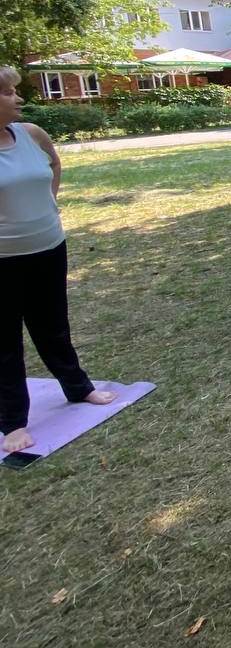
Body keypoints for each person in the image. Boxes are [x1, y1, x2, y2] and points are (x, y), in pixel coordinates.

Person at [0, 66, 117, 454]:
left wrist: (51, 200)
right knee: (6, 340)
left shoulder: (31, 134)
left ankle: (78, 388)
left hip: (49, 246)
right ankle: (13, 421)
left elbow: (53, 163)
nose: (18, 98)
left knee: (53, 326)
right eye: (8, 92)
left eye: (16, 90)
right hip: (4, 259)